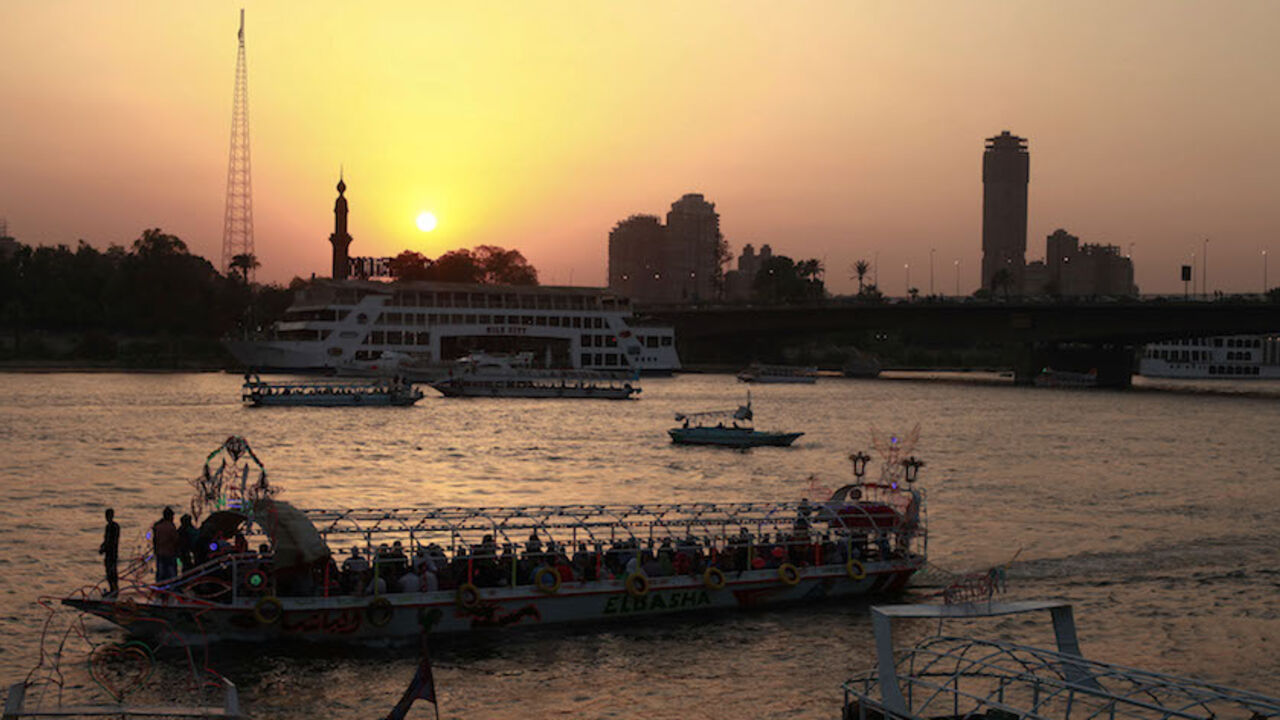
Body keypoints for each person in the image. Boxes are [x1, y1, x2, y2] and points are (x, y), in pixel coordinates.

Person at [151, 507, 179, 583]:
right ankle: (172, 588)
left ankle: (160, 587)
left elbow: (154, 540)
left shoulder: (157, 526)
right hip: (170, 554)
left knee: (160, 572)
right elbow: (175, 540)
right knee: (171, 573)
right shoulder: (171, 527)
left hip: (159, 553)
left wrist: (155, 550)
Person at [99, 509, 120, 597]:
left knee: (112, 572)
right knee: (109, 571)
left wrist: (105, 548)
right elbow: (106, 540)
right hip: (109, 553)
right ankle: (112, 589)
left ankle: (114, 590)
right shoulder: (108, 526)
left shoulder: (114, 526)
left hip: (112, 553)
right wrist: (102, 547)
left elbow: (112, 541)